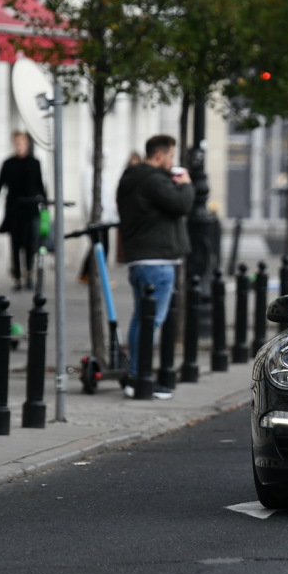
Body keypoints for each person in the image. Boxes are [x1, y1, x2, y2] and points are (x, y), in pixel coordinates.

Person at [116, 135, 194, 399]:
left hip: (139, 260)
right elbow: (181, 205)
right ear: (159, 156)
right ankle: (142, 380)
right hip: (158, 262)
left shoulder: (130, 178)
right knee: (152, 322)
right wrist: (185, 185)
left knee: (141, 319)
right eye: (171, 156)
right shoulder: (153, 180)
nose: (172, 162)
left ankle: (137, 376)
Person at [0, 130, 47, 291]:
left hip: (30, 209)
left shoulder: (34, 163)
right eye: (17, 143)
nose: (19, 146)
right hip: (14, 209)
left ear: (27, 144)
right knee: (15, 244)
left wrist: (46, 204)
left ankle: (29, 275)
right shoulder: (8, 163)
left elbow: (41, 185)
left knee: (30, 244)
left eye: (22, 142)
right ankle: (17, 278)